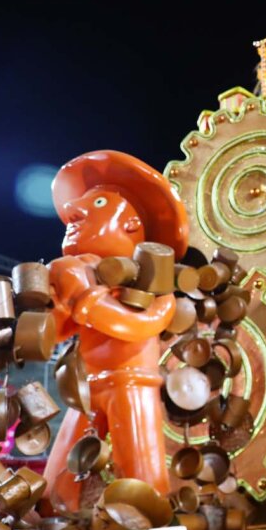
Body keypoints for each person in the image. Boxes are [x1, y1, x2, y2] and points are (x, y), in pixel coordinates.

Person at [43, 150, 186, 504]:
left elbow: (139, 324)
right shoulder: (81, 273)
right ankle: (49, 522)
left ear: (132, 226)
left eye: (100, 201)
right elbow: (50, 333)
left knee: (142, 482)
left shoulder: (153, 282)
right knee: (58, 481)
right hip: (86, 387)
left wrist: (81, 296)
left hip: (131, 387)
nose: (74, 211)